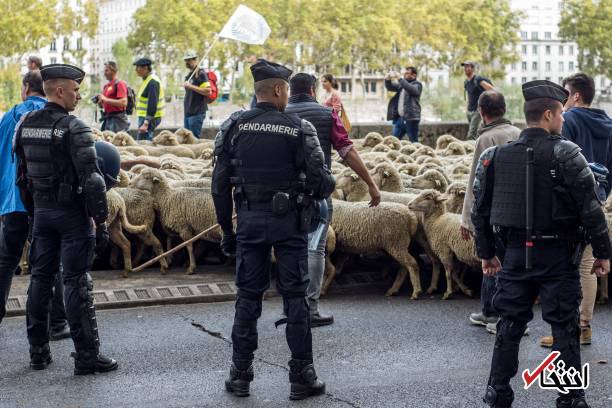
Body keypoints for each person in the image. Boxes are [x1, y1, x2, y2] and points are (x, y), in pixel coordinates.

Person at [472, 80, 610, 408]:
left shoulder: (494, 156)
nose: (563, 119)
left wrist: (487, 253)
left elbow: (481, 209)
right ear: (548, 115)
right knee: (564, 327)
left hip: (515, 256)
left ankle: (498, 393)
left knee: (509, 326)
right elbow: (591, 209)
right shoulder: (567, 153)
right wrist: (604, 253)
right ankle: (571, 397)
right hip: (558, 258)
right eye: (561, 113)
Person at [212, 60, 335, 400]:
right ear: (280, 90)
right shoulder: (300, 128)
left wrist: (227, 230)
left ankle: (240, 376)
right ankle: (302, 376)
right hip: (290, 226)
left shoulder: (234, 126)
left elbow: (218, 186)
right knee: (295, 298)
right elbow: (321, 182)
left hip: (249, 223)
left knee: (247, 299)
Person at [13, 63, 119, 375]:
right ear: (60, 90)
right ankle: (87, 357)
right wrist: (98, 222)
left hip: (42, 214)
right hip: (72, 216)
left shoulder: (25, 125)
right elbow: (94, 182)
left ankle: (38, 352)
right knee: (76, 282)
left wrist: (35, 215)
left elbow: (22, 179)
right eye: (75, 90)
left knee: (40, 279)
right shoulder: (75, 127)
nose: (78, 96)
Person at [285, 73, 381, 327]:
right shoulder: (327, 115)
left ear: (288, 91)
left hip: (282, 196)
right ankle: (310, 308)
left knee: (287, 248)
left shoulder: (278, 114)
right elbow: (347, 150)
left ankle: (292, 305)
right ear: (314, 90)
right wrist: (371, 184)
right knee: (314, 248)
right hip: (316, 194)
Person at [539, 72, 612, 349]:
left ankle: (565, 328)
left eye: (564, 93)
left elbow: (558, 158)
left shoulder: (567, 120)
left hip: (569, 199)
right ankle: (584, 325)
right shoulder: (608, 124)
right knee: (587, 265)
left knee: (564, 263)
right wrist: (602, 193)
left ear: (576, 95)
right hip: (597, 197)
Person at [0, 71, 70, 342]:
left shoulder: (8, 117)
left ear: (26, 88)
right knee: (49, 262)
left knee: (6, 259)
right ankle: (56, 323)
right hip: (43, 202)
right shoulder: (54, 115)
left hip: (12, 201)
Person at [460, 90, 520, 333]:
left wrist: (467, 219)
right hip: (517, 211)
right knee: (508, 263)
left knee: (492, 262)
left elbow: (477, 181)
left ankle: (496, 315)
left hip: (494, 211)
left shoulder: (485, 139)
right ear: (504, 110)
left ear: (481, 113)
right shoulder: (518, 133)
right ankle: (489, 311)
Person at [384, 67, 423, 142]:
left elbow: (411, 89)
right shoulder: (402, 85)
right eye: (405, 73)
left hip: (411, 119)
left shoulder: (417, 85)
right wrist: (387, 79)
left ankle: (418, 153)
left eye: (407, 73)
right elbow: (390, 87)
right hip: (400, 119)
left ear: (414, 75)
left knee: (414, 142)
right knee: (393, 141)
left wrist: (400, 78)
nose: (405, 74)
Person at [182, 51, 211, 138]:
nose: (187, 62)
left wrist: (190, 86)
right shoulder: (189, 75)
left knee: (193, 139)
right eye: (186, 60)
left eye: (189, 60)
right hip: (188, 112)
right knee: (186, 139)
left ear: (195, 60)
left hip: (197, 112)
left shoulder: (201, 73)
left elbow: (208, 91)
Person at [134, 58, 164, 140]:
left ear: (145, 68)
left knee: (144, 143)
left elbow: (152, 103)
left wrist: (146, 123)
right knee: (143, 142)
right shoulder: (147, 80)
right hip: (145, 117)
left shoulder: (152, 82)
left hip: (148, 118)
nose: (136, 70)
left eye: (138, 67)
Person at [462, 61, 494, 140]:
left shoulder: (478, 79)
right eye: (464, 67)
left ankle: (472, 151)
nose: (465, 68)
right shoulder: (466, 82)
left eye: (468, 66)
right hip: (469, 112)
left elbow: (492, 90)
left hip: (478, 111)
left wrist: (484, 106)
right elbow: (469, 96)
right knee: (475, 134)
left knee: (471, 135)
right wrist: (466, 109)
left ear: (472, 68)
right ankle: (478, 148)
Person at [95, 61, 130, 133]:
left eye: (106, 70)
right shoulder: (106, 86)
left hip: (118, 120)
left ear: (114, 70)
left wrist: (105, 99)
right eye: (104, 71)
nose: (104, 73)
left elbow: (123, 102)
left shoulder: (120, 84)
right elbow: (104, 104)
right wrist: (100, 102)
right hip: (107, 119)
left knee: (117, 142)